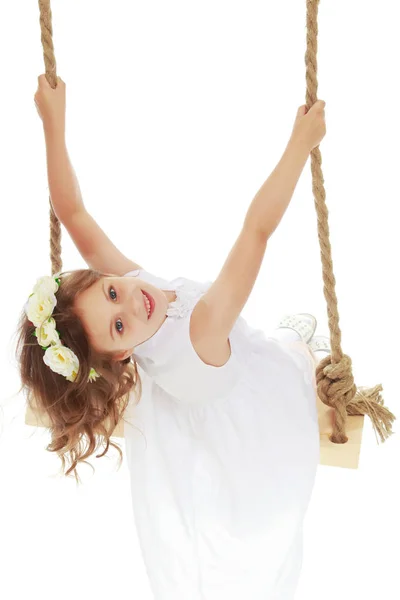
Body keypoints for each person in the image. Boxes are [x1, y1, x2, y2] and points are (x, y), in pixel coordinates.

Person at [17, 74, 328, 599]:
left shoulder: (138, 294)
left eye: (112, 291)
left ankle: (290, 344)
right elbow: (256, 231)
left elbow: (73, 214)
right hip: (240, 406)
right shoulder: (202, 332)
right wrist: (300, 145)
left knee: (258, 347)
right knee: (288, 361)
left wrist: (54, 123)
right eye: (119, 326)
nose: (130, 303)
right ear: (119, 355)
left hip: (209, 383)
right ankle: (301, 348)